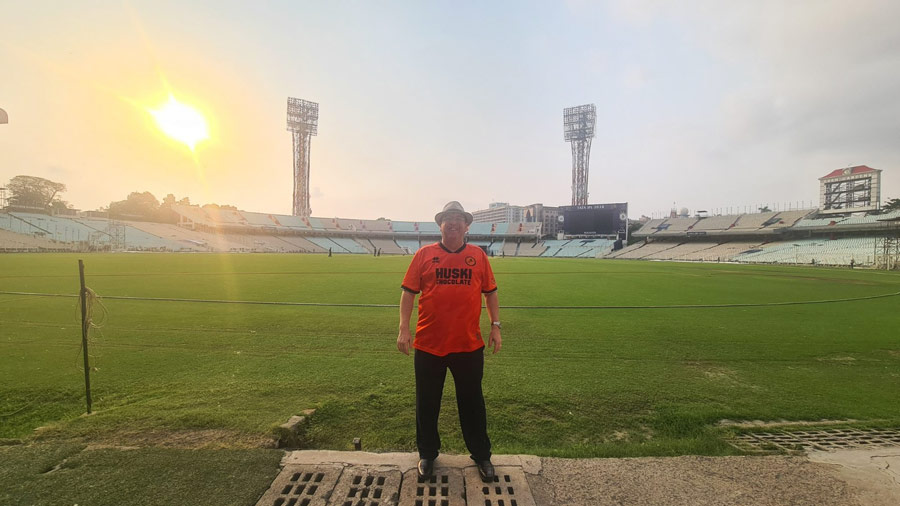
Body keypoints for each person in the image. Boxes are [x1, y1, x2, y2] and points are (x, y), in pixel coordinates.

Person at [397, 201, 502, 482]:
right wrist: (403, 328)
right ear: (440, 225)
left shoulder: (478, 256)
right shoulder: (424, 254)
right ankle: (427, 454)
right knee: (427, 402)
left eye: (458, 218)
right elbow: (408, 293)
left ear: (466, 226)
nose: (453, 222)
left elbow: (491, 293)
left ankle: (481, 455)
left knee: (472, 402)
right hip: (429, 344)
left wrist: (495, 326)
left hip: (468, 345)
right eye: (448, 218)